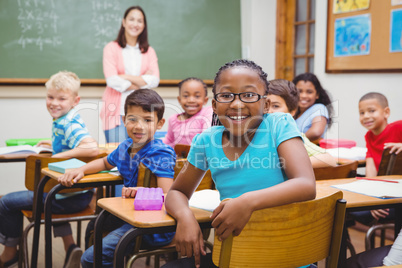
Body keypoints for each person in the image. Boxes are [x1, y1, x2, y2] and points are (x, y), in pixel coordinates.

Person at [162, 59, 316, 268]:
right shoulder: (206, 141)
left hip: (288, 259)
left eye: (249, 95)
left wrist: (246, 202)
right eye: (226, 96)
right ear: (215, 105)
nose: (237, 104)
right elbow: (176, 192)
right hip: (235, 258)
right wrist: (184, 216)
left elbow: (306, 184)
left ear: (266, 104)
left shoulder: (279, 125)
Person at [58, 89, 176, 268]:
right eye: (132, 119)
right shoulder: (126, 146)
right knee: (94, 226)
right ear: (123, 120)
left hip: (151, 224)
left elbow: (168, 194)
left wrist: (142, 191)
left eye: (147, 120)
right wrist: (82, 169)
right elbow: (105, 162)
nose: (138, 126)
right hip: (129, 214)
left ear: (160, 124)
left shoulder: (160, 152)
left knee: (90, 258)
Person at [0, 71, 99, 268]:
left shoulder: (68, 123)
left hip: (67, 197)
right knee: (47, 191)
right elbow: (74, 147)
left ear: (75, 100)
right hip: (73, 193)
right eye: (50, 97)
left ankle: (9, 254)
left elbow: (92, 147)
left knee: (5, 202)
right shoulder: (64, 119)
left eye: (62, 98)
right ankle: (71, 247)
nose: (54, 103)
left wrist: (57, 156)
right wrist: (55, 146)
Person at [100, 6, 160, 143]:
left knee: (140, 156)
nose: (135, 24)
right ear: (124, 22)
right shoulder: (111, 48)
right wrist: (142, 81)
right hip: (115, 112)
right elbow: (112, 81)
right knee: (119, 156)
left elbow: (155, 80)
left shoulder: (149, 51)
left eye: (140, 21)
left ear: (144, 25)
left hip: (141, 112)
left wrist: (124, 76)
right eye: (131, 19)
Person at [349, 92, 402, 226]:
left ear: (386, 112)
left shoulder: (398, 127)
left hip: (397, 196)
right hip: (386, 192)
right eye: (362, 113)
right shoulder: (369, 136)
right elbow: (371, 176)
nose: (366, 116)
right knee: (346, 207)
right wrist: (373, 201)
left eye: (371, 111)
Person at [267, 79, 337, 168]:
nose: (268, 111)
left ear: (291, 112)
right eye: (264, 105)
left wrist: (287, 164)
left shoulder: (292, 136)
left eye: (275, 106)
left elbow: (329, 160)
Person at [162, 77, 213, 148]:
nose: (191, 100)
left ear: (205, 100)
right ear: (179, 100)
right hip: (179, 158)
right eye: (186, 96)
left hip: (200, 156)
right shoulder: (173, 119)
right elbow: (169, 141)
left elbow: (206, 137)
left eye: (197, 96)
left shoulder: (207, 113)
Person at [292, 72, 333, 141]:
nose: (303, 96)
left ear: (317, 95)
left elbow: (316, 132)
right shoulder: (294, 112)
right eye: (299, 91)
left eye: (309, 92)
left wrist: (294, 141)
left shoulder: (319, 108)